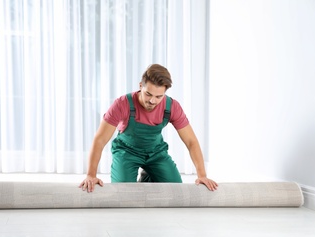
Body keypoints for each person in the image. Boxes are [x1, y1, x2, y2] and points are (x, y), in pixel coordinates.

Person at [79, 64, 218, 192]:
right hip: (126, 153)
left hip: (156, 153)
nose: (152, 101)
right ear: (141, 86)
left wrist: (202, 175)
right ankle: (145, 174)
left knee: (176, 190)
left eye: (159, 96)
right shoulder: (122, 104)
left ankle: (149, 174)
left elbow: (191, 141)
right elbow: (100, 139)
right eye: (148, 94)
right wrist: (91, 175)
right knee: (123, 192)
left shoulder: (172, 107)